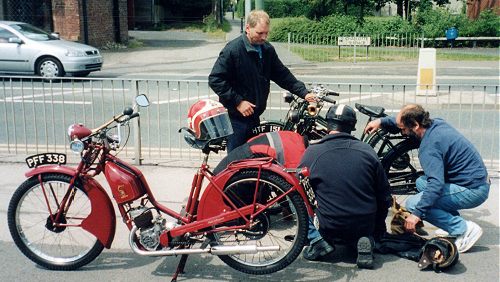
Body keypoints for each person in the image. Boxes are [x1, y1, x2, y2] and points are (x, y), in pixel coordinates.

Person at [364, 104, 490, 253]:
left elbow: (436, 184)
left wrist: (416, 214)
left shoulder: (429, 147)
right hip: (473, 181)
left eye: (403, 129)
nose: (402, 132)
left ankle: (463, 229)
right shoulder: (436, 124)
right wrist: (381, 122)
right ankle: (451, 223)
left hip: (473, 190)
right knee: (420, 182)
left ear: (415, 125)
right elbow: (404, 121)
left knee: (413, 204)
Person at [208, 10, 316, 152]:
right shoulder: (233, 50)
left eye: (266, 33)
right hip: (236, 118)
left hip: (253, 116)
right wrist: (238, 102)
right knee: (235, 162)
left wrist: (304, 93)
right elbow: (215, 79)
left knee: (253, 161)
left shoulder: (267, 49)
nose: (264, 37)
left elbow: (282, 75)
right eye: (260, 33)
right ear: (248, 28)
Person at [299, 104, 392, 269]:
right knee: (373, 207)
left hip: (329, 223)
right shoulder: (368, 151)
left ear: (327, 124)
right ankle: (365, 239)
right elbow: (384, 196)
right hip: (363, 223)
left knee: (298, 197)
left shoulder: (312, 152)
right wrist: (378, 228)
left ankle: (318, 240)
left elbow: (302, 190)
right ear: (353, 127)